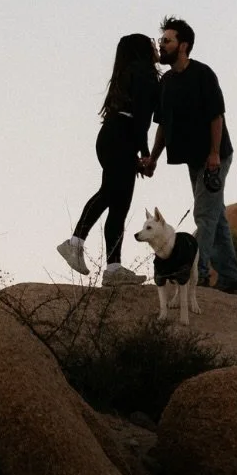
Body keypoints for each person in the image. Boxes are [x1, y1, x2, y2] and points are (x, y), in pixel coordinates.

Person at [142, 17, 237, 293]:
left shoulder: (202, 74)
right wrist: (152, 158)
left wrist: (213, 155)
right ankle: (231, 278)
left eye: (167, 40)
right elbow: (163, 124)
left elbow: (216, 116)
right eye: (161, 40)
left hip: (215, 156)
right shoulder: (168, 83)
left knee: (204, 214)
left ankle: (198, 272)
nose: (162, 45)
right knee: (215, 215)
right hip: (193, 158)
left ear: (183, 45)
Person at [57, 33, 160, 286]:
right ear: (142, 50)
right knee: (110, 194)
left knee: (119, 203)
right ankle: (74, 243)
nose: (156, 46)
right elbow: (141, 119)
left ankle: (113, 269)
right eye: (151, 43)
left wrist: (135, 154)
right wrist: (145, 154)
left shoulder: (128, 73)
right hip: (121, 137)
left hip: (114, 137)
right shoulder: (144, 73)